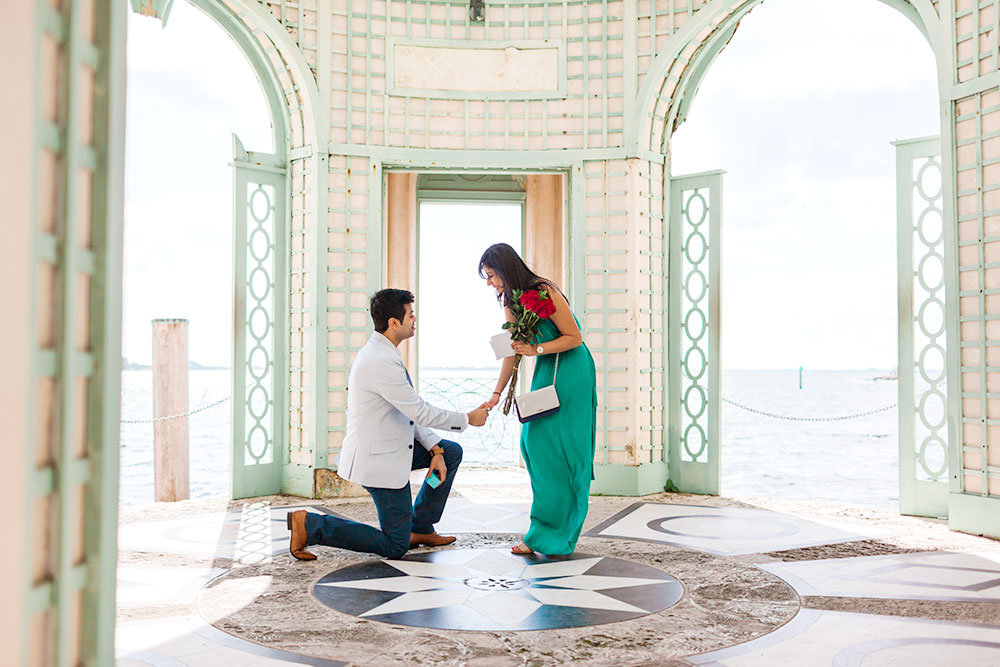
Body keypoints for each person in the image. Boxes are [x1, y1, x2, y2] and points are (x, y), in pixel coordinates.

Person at [286, 288, 489, 560]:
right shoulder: (380, 360)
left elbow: (406, 412)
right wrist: (467, 419)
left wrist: (436, 450)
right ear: (394, 323)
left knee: (450, 453)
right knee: (395, 546)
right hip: (378, 459)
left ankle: (419, 527)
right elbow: (419, 411)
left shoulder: (385, 353)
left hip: (391, 447)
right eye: (411, 315)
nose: (415, 320)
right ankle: (311, 525)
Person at [479, 243, 597, 555]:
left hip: (572, 370)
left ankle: (555, 535)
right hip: (547, 369)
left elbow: (574, 337)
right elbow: (509, 349)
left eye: (491, 275)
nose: (489, 283)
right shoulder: (510, 303)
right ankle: (544, 530)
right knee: (533, 444)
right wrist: (496, 393)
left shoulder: (543, 291)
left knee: (565, 448)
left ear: (505, 269)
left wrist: (536, 350)